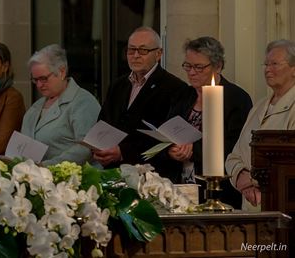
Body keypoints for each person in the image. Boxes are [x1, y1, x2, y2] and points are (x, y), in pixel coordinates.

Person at [164, 37, 252, 208]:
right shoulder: (183, 95)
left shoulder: (236, 99)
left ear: (217, 66)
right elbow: (168, 131)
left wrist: (193, 150)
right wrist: (171, 150)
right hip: (180, 186)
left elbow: (236, 146)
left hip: (219, 189)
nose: (191, 72)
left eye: (198, 67)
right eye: (187, 66)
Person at [93, 27, 187, 178]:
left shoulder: (174, 88)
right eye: (131, 50)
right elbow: (104, 123)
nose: (135, 55)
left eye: (143, 50)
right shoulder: (118, 85)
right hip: (114, 172)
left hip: (152, 177)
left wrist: (122, 152)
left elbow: (166, 139)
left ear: (158, 54)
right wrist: (98, 148)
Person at [226, 39, 295, 211]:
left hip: (281, 207)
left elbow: (288, 163)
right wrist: (243, 179)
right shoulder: (258, 107)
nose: (267, 69)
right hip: (250, 205)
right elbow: (234, 156)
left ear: (294, 69)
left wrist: (255, 182)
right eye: (265, 64)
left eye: (274, 64)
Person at [21, 44, 101, 166]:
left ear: (62, 72)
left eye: (43, 78)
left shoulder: (83, 102)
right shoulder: (35, 107)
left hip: (76, 178)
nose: (39, 85)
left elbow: (86, 148)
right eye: (35, 80)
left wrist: (48, 166)